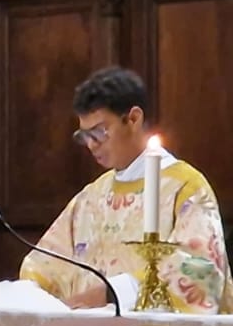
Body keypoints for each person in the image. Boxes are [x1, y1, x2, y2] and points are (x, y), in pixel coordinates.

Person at [20, 67, 232, 313]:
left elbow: (201, 274)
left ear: (133, 119)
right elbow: (43, 266)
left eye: (99, 132)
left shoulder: (185, 188)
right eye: (84, 136)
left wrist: (113, 293)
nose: (91, 145)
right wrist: (30, 296)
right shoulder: (91, 197)